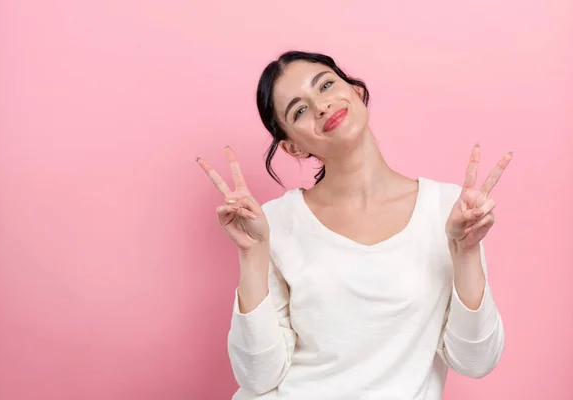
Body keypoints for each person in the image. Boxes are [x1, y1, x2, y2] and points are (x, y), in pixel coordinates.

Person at [196, 51, 512, 400]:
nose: (321, 106)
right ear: (293, 148)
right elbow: (258, 378)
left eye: (326, 85)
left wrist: (465, 253)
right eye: (299, 110)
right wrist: (252, 257)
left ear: (357, 92)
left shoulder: (449, 211)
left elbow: (475, 361)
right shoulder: (273, 223)